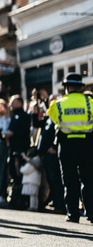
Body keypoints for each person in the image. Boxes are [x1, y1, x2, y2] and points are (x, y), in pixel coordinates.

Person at [47, 74, 93, 223]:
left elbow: (54, 119)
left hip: (66, 145)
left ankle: (73, 214)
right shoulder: (90, 102)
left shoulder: (57, 103)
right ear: (80, 88)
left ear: (66, 88)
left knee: (69, 180)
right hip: (87, 144)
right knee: (88, 180)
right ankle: (91, 213)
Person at [6, 94, 32, 209]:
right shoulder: (14, 116)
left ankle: (22, 200)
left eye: (13, 102)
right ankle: (15, 199)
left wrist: (13, 134)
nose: (10, 104)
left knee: (20, 174)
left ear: (19, 103)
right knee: (13, 173)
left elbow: (26, 131)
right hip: (12, 148)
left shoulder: (24, 116)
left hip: (21, 149)